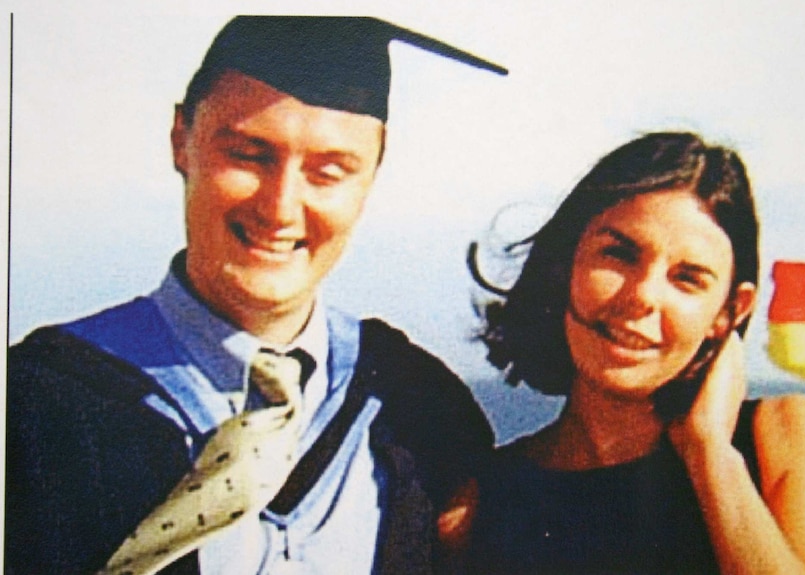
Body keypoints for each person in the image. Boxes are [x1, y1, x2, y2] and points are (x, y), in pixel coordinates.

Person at [6, 16, 505, 575]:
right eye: (248, 154)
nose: (280, 207)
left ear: (373, 175)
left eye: (329, 171)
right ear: (181, 141)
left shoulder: (421, 409)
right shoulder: (33, 401)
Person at [456, 132, 805, 574]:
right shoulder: (481, 501)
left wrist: (710, 453)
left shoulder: (784, 436)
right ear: (565, 265)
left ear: (728, 312)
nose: (643, 295)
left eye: (687, 278)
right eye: (619, 255)